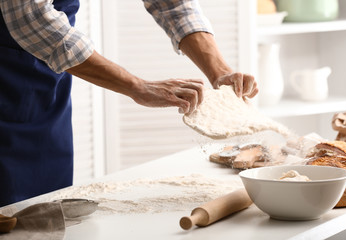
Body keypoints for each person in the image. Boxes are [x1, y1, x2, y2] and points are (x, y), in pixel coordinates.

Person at [0, 0, 258, 207]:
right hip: (9, 71)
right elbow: (30, 18)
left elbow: (172, 3)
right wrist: (138, 87)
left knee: (43, 207)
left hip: (43, 85)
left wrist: (219, 71)